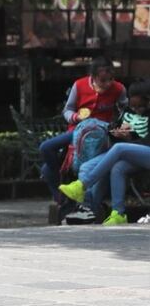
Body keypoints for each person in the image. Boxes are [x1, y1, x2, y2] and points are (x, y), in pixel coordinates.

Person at [39, 57, 126, 208]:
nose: (108, 84)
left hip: (101, 132)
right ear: (93, 77)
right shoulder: (79, 85)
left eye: (111, 79)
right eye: (103, 80)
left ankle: (70, 196)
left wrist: (118, 124)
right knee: (46, 149)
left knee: (46, 169)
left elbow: (126, 111)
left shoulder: (119, 89)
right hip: (77, 130)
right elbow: (67, 110)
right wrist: (75, 117)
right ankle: (60, 187)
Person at [60, 80, 150, 225]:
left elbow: (146, 142)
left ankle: (82, 185)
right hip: (133, 153)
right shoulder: (129, 112)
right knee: (106, 167)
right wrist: (117, 133)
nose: (137, 110)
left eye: (140, 106)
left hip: (142, 150)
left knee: (119, 149)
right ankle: (117, 213)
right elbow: (115, 130)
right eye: (133, 106)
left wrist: (129, 138)